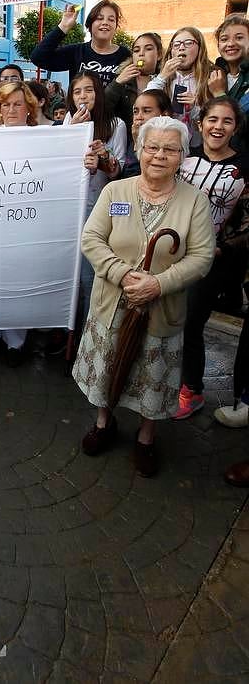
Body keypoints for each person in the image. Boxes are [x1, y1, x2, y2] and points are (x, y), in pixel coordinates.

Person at [73, 116, 215, 476]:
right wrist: (123, 274)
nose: (159, 156)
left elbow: (201, 257)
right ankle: (104, 423)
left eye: (169, 149)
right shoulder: (115, 192)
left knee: (153, 374)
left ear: (182, 156)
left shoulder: (194, 201)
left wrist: (158, 284)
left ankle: (147, 437)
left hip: (161, 307)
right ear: (139, 149)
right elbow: (91, 239)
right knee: (106, 367)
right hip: (111, 303)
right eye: (152, 147)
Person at [173, 97, 249, 420]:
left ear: (236, 127)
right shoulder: (184, 159)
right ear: (200, 123)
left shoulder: (245, 168)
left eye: (227, 121)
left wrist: (224, 248)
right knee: (168, 321)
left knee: (190, 323)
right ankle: (165, 381)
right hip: (172, 254)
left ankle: (192, 390)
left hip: (213, 259)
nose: (218, 127)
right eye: (212, 119)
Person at [0, 81, 39, 367]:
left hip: (24, 222)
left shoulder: (44, 139)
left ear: (29, 108)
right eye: (6, 104)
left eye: (18, 104)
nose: (12, 109)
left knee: (17, 280)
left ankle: (15, 342)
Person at [63, 71, 127, 321]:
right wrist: (72, 132)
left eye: (88, 90)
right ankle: (67, 326)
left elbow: (115, 171)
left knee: (90, 273)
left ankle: (86, 331)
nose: (83, 96)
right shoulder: (70, 119)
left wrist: (102, 159)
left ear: (98, 93)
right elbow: (62, 161)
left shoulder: (115, 124)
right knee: (71, 272)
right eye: (77, 91)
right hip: (70, 206)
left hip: (96, 206)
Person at [30, 0, 131, 87]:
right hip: (79, 110)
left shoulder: (125, 55)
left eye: (111, 19)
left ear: (116, 26)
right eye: (99, 18)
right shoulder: (76, 52)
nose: (105, 22)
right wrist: (64, 26)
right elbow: (38, 58)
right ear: (89, 25)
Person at [146, 27, 211, 142]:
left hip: (197, 144)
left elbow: (212, 120)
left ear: (200, 48)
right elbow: (145, 100)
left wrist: (194, 108)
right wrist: (162, 76)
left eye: (188, 43)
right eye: (176, 44)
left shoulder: (209, 77)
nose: (181, 48)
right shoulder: (163, 77)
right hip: (165, 141)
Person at [105, 32, 164, 136]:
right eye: (136, 50)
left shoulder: (166, 79)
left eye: (148, 49)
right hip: (128, 141)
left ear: (159, 55)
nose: (141, 54)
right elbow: (103, 108)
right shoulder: (123, 80)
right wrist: (117, 82)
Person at [120, 90, 172, 179]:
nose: (139, 117)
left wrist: (138, 144)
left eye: (146, 111)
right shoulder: (135, 136)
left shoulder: (170, 146)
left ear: (164, 115)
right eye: (135, 112)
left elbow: (139, 176)